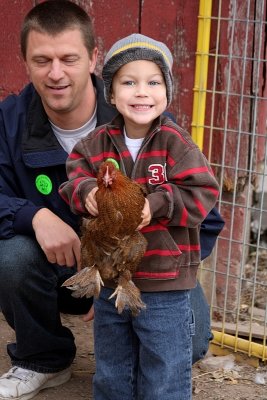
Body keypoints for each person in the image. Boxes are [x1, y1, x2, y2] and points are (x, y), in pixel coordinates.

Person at [0, 1, 224, 399]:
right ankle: (42, 358)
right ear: (25, 62)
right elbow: (73, 182)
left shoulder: (152, 125)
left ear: (93, 58)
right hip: (59, 269)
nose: (56, 73)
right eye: (42, 60)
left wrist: (137, 265)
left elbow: (205, 213)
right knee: (10, 256)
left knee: (181, 343)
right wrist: (31, 216)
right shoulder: (11, 121)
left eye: (68, 58)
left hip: (152, 270)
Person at [59, 33, 220, 400]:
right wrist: (88, 195)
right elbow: (71, 181)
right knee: (113, 368)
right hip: (110, 276)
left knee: (164, 369)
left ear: (166, 92)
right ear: (112, 94)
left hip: (166, 281)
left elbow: (204, 191)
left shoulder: (176, 144)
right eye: (128, 82)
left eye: (153, 82)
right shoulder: (95, 143)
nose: (141, 92)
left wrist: (158, 204)